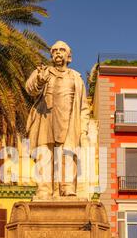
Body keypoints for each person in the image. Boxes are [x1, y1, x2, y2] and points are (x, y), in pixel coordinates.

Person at [25, 40, 90, 199]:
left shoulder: (76, 78)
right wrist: (39, 81)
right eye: (54, 51)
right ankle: (44, 191)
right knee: (45, 155)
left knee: (67, 156)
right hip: (45, 121)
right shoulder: (43, 72)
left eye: (62, 50)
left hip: (69, 122)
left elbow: (83, 107)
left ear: (69, 57)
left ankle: (67, 189)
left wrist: (83, 129)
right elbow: (30, 89)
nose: (58, 53)